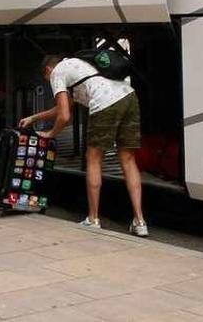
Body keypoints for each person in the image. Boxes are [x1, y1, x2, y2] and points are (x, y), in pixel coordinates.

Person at [20, 55, 149, 237]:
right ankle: (139, 221)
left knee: (93, 159)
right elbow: (63, 107)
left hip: (105, 103)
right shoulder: (80, 65)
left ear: (48, 70)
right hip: (128, 97)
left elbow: (64, 116)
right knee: (128, 160)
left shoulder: (57, 73)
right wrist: (34, 118)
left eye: (46, 79)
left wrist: (51, 134)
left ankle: (93, 219)